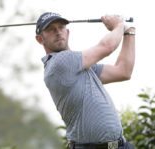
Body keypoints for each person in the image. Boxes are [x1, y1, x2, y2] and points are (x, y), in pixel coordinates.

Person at [35, 12, 135, 149]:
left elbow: (123, 71)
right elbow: (107, 47)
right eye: (51, 29)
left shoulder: (79, 67)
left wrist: (129, 32)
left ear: (67, 32)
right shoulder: (60, 63)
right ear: (40, 39)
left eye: (61, 27)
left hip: (120, 145)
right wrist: (119, 25)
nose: (58, 32)